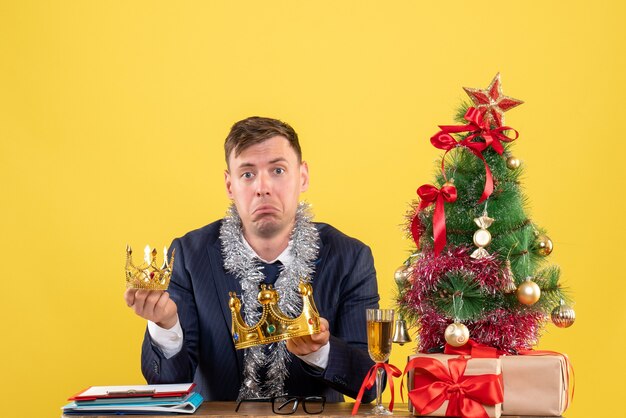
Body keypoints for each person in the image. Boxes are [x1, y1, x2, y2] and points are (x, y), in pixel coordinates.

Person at [124, 116, 379, 402]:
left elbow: (372, 385)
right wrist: (166, 326)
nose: (263, 187)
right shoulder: (188, 256)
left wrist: (319, 351)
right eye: (247, 174)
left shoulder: (350, 258)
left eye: (278, 170)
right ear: (229, 185)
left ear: (303, 176)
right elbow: (167, 383)